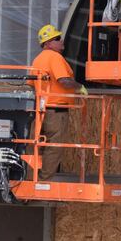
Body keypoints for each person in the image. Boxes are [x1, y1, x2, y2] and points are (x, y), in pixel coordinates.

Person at [31, 24, 87, 181]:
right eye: (57, 39)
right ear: (48, 44)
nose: (61, 41)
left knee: (37, 145)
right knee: (54, 146)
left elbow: (31, 85)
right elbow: (64, 80)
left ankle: (33, 178)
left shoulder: (37, 60)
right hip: (56, 110)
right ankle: (44, 180)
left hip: (40, 110)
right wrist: (80, 87)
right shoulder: (55, 58)